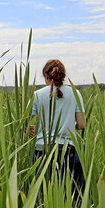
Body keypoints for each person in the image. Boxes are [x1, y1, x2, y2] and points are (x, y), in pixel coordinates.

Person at [28, 59, 86, 194]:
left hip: (42, 150)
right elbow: (82, 125)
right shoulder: (75, 93)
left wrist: (28, 129)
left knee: (44, 193)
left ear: (46, 76)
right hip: (67, 150)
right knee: (70, 193)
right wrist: (71, 124)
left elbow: (24, 122)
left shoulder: (37, 95)